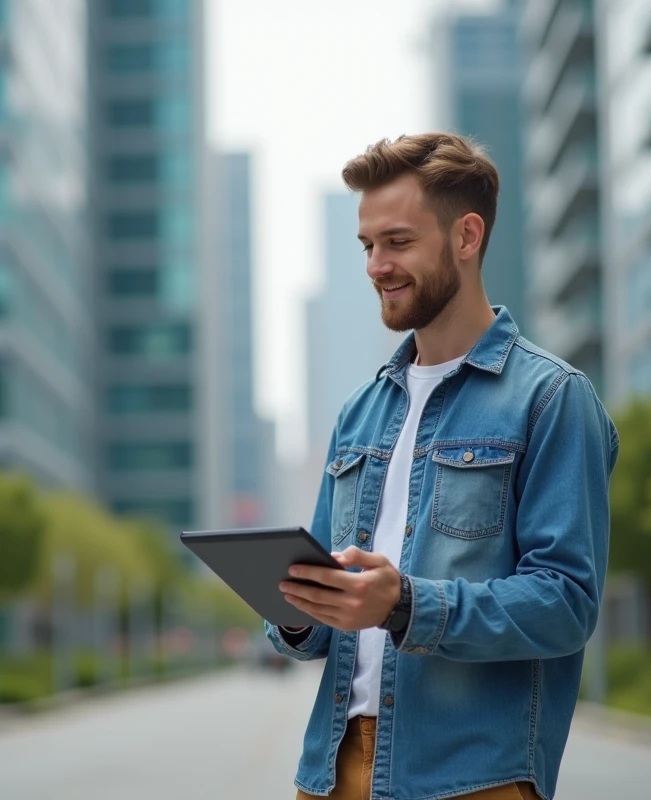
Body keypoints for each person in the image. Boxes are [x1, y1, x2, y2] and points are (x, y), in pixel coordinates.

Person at [264, 133, 618, 800]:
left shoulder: (550, 399)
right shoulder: (358, 414)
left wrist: (405, 604)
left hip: (470, 777)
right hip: (331, 771)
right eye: (367, 246)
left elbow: (566, 603)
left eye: (396, 242)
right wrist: (297, 611)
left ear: (466, 236)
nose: (376, 265)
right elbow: (315, 624)